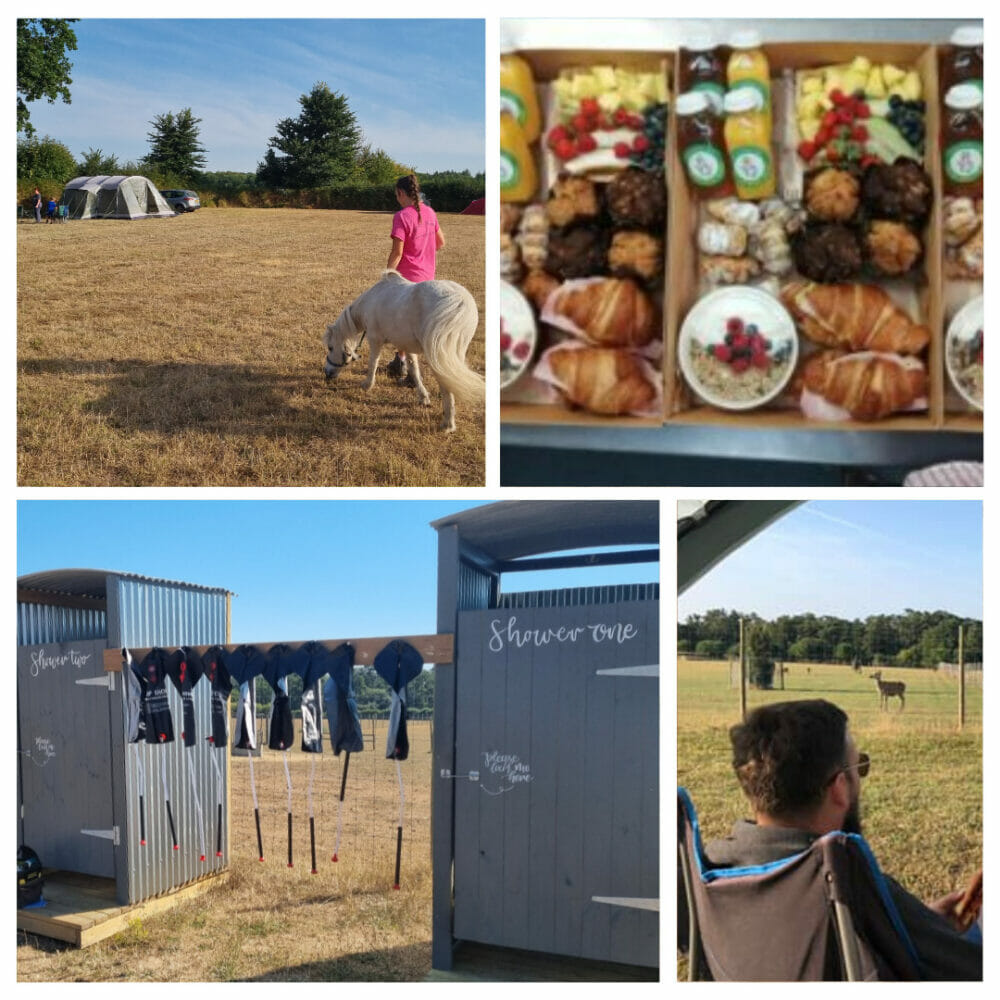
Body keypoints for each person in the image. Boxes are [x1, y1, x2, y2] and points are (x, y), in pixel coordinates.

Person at [702, 699, 981, 980]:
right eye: (859, 766)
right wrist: (915, 925)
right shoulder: (849, 881)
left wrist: (914, 923)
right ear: (839, 788)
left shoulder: (712, 871)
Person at [385, 173, 446, 385]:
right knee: (416, 326)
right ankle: (400, 359)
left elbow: (397, 253)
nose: (396, 199)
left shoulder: (401, 216)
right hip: (428, 280)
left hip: (407, 281)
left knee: (403, 325)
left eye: (396, 195)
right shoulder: (430, 213)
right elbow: (440, 243)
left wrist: (386, 276)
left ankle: (409, 371)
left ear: (401, 193)